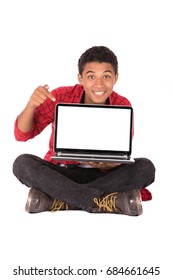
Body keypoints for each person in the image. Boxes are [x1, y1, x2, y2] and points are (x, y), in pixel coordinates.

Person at [13, 46, 155, 216]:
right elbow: (21, 134)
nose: (99, 84)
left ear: (116, 78)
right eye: (91, 76)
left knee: (146, 167)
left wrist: (109, 164)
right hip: (62, 173)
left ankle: (61, 200)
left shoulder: (123, 104)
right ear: (80, 78)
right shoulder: (60, 97)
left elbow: (121, 153)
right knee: (22, 163)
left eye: (107, 76)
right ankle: (104, 201)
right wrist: (31, 105)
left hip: (104, 177)